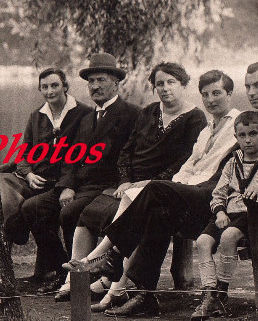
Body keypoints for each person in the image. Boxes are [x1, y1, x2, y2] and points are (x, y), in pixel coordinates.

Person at [70, 61, 258, 317]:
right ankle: (145, 295)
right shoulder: (248, 118)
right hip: (210, 193)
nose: (252, 91)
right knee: (157, 212)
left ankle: (111, 255)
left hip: (231, 201)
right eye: (248, 86)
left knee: (155, 189)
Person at [51, 62, 206, 301]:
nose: (165, 89)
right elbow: (126, 150)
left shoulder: (195, 118)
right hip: (128, 186)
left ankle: (111, 284)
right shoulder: (149, 112)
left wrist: (145, 183)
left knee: (132, 215)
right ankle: (76, 281)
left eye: (171, 82)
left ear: (183, 84)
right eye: (159, 84)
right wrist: (125, 181)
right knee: (87, 215)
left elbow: (185, 162)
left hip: (161, 188)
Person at [15, 53, 141, 290]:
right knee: (32, 207)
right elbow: (71, 159)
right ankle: (65, 267)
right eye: (91, 82)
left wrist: (125, 182)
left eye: (101, 80)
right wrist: (67, 186)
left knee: (69, 213)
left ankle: (83, 274)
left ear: (116, 82)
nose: (95, 86)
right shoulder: (87, 117)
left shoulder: (131, 114)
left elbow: (134, 155)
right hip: (80, 185)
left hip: (107, 186)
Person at [191, 111, 258, 321]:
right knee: (203, 241)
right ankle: (209, 293)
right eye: (242, 135)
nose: (248, 140)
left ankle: (221, 293)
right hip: (229, 213)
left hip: (252, 215)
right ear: (236, 137)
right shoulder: (232, 163)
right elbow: (218, 194)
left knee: (228, 236)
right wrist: (220, 212)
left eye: (253, 134)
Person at [0, 68, 91, 283]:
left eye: (54, 85)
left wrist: (68, 184)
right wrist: (28, 173)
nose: (50, 91)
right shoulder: (37, 115)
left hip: (64, 183)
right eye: (45, 87)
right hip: (37, 179)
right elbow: (24, 153)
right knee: (6, 187)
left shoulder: (83, 114)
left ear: (65, 87)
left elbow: (83, 156)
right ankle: (54, 267)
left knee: (33, 210)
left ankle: (59, 268)